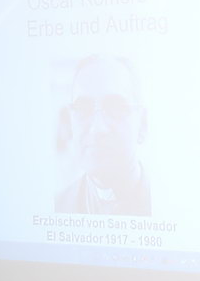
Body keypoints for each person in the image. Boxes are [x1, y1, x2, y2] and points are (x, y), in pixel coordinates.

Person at [55, 54, 151, 216]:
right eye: (83, 109)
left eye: (116, 108)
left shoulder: (167, 203)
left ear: (142, 124)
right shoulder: (59, 206)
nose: (97, 128)